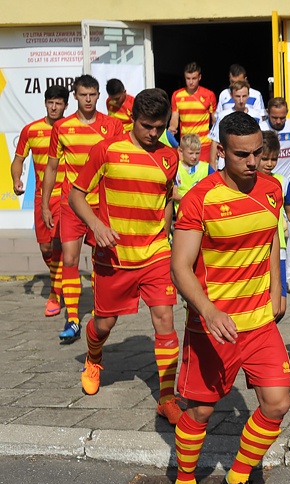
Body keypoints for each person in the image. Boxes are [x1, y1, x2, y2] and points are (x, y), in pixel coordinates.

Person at [169, 111, 289, 484]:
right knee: (200, 412)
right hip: (212, 327)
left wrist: (277, 289)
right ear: (221, 152)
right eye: (242, 155)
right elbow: (180, 266)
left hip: (259, 323)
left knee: (276, 404)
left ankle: (236, 481)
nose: (253, 161)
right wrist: (207, 309)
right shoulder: (199, 198)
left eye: (258, 152)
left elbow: (271, 236)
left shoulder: (272, 188)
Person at [67, 88, 184, 425]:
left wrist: (166, 234)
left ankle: (166, 396)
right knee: (103, 324)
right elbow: (77, 196)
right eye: (147, 126)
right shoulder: (106, 150)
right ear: (132, 120)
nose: (153, 133)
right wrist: (96, 225)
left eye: (159, 128)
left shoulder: (169, 156)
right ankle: (93, 356)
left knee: (165, 319)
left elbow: (163, 198)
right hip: (113, 255)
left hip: (155, 253)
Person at [42, 75, 125, 343]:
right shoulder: (62, 128)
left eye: (92, 94)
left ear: (99, 96)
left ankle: (100, 311)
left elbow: (121, 166)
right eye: (83, 95)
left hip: (102, 206)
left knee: (101, 264)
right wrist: (45, 204)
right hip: (71, 204)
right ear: (75, 97)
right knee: (69, 259)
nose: (88, 99)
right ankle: (74, 319)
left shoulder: (112, 126)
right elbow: (52, 168)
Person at [11, 85, 69, 318]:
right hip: (42, 198)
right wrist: (16, 179)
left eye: (59, 103)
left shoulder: (71, 129)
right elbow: (18, 160)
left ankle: (55, 294)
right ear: (45, 103)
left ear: (66, 105)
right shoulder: (31, 130)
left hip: (68, 197)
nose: (54, 107)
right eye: (50, 103)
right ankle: (60, 281)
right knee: (46, 247)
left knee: (63, 245)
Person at [261, 97, 290, 293]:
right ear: (267, 113)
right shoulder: (260, 128)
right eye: (274, 117)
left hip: (287, 183)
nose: (278, 121)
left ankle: (289, 275)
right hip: (264, 182)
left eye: (282, 117)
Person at [259, 129, 290, 319]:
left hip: (278, 249)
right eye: (265, 159)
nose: (270, 164)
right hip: (256, 250)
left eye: (274, 159)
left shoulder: (282, 182)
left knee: (280, 307)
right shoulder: (247, 182)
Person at [168, 62, 216, 163]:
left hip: (204, 144)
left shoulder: (209, 95)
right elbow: (174, 118)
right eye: (188, 78)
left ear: (199, 77)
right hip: (186, 144)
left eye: (194, 78)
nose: (191, 82)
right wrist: (172, 128)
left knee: (204, 176)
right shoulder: (177, 95)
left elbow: (214, 121)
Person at [172, 134, 215, 209]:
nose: (194, 157)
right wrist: (191, 201)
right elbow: (174, 194)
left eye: (197, 153)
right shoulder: (176, 168)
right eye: (191, 153)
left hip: (201, 212)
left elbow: (216, 188)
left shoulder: (206, 168)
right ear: (181, 151)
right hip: (182, 213)